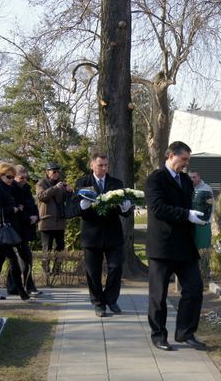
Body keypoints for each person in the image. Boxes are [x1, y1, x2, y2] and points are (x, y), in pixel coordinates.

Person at [145, 141, 206, 351]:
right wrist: (186, 214)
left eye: (188, 160)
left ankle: (185, 332)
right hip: (162, 246)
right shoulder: (156, 179)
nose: (186, 164)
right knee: (158, 294)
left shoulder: (186, 181)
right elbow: (157, 208)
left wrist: (199, 215)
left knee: (194, 288)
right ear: (171, 155)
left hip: (185, 246)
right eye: (184, 159)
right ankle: (159, 335)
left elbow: (190, 206)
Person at [73, 153, 133, 317]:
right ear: (92, 165)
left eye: (106, 165)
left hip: (113, 234)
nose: (104, 168)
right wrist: (83, 206)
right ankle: (98, 303)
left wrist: (126, 207)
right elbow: (73, 209)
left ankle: (111, 299)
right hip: (91, 235)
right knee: (93, 272)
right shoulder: (83, 183)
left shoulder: (116, 183)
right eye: (100, 165)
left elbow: (124, 211)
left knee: (116, 267)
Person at [0, 162, 29, 301]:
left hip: (3, 231)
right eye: (9, 177)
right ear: (1, 175)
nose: (11, 179)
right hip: (0, 231)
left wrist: (16, 206)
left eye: (12, 177)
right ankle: (21, 291)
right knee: (13, 260)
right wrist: (12, 209)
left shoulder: (6, 187)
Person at [7, 165, 41, 296]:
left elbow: (32, 205)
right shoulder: (12, 189)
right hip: (17, 229)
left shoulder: (26, 189)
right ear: (15, 177)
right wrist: (28, 218)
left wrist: (36, 216)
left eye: (26, 177)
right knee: (23, 259)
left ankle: (16, 287)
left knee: (21, 259)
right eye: (22, 177)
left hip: (26, 228)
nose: (24, 180)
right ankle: (26, 286)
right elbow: (17, 209)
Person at [35, 162, 72, 283]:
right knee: (47, 247)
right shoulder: (41, 183)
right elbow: (41, 196)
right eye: (54, 171)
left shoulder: (61, 184)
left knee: (60, 247)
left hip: (59, 221)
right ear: (47, 172)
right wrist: (55, 188)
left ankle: (57, 270)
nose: (56, 174)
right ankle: (46, 271)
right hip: (47, 221)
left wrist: (69, 191)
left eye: (58, 171)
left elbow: (67, 199)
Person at [188, 169, 213, 277]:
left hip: (203, 224)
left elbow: (209, 208)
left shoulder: (206, 189)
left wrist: (205, 221)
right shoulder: (186, 188)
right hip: (189, 224)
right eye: (190, 177)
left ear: (199, 177)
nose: (192, 179)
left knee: (203, 250)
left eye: (194, 177)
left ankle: (204, 273)